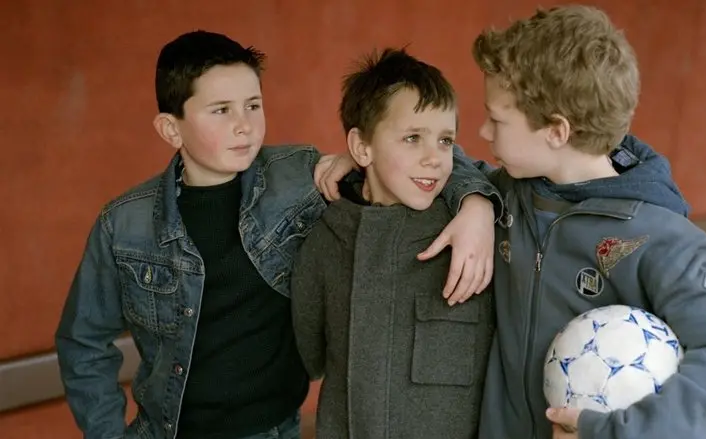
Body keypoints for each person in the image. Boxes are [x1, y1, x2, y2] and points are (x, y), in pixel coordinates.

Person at [54, 30, 501, 439]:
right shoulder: (124, 224)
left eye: (253, 105)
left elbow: (420, 154)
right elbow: (83, 342)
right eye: (221, 110)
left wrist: (477, 204)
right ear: (171, 128)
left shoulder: (298, 177)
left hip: (273, 429)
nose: (244, 124)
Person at [468, 5, 706, 439]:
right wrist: (473, 200)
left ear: (557, 131)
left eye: (497, 119)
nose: (483, 131)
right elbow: (444, 166)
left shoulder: (666, 241)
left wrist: (611, 432)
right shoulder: (511, 194)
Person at [291, 48, 495, 439]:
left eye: (446, 140)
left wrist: (479, 204)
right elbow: (310, 355)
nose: (434, 158)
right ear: (361, 147)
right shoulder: (326, 238)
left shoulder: (471, 231)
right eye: (412, 138)